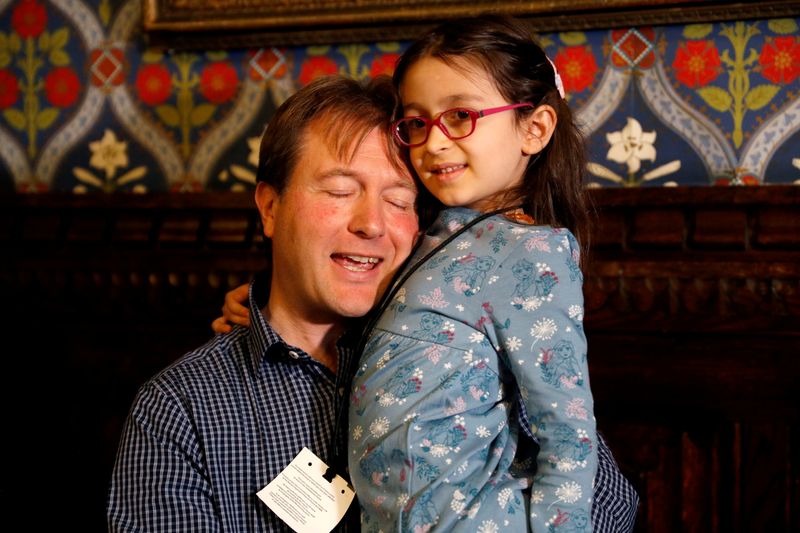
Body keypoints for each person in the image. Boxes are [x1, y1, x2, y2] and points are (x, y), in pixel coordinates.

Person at [215, 15, 639, 532]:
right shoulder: (429, 237)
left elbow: (567, 433)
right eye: (416, 122)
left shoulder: (534, 255)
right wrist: (258, 302)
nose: (434, 142)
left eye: (460, 115)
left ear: (535, 128)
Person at [107, 74, 420, 532]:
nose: (372, 224)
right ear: (270, 208)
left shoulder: (455, 369)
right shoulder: (180, 410)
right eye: (339, 191)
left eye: (399, 200)